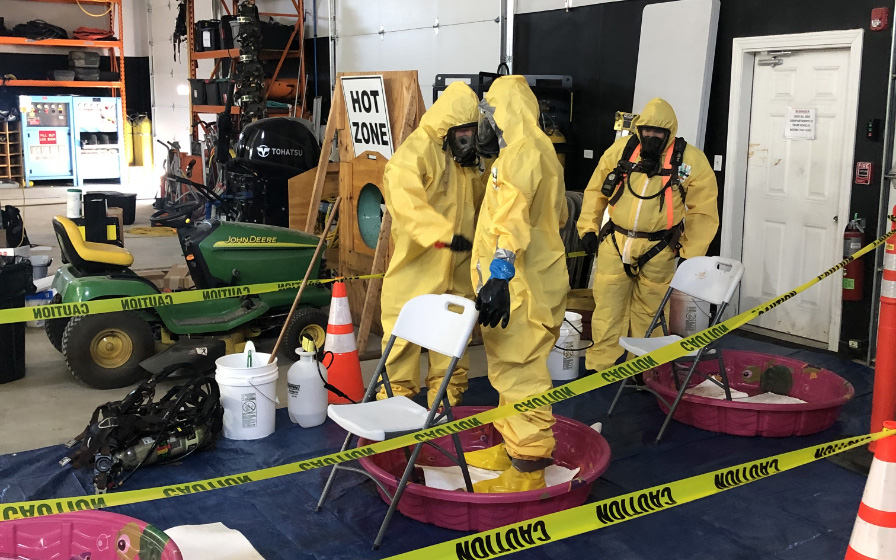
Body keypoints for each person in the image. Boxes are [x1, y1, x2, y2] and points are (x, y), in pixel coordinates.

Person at [466, 75, 569, 493]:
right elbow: (556, 216)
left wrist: (500, 275)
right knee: (508, 373)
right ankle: (511, 448)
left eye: (488, 114)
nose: (485, 124)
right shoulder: (539, 150)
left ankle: (528, 470)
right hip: (534, 281)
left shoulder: (521, 154)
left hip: (522, 289)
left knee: (522, 377)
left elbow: (511, 218)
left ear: (503, 112)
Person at [577, 97, 718, 374]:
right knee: (607, 309)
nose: (652, 137)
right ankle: (601, 369)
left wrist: (690, 253)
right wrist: (589, 228)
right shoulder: (621, 152)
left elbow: (703, 209)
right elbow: (596, 190)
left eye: (659, 133)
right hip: (615, 242)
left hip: (660, 247)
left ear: (670, 133)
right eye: (647, 131)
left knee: (650, 312)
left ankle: (646, 369)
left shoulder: (689, 160)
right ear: (639, 130)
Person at [377, 81, 488, 408]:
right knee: (402, 341)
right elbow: (405, 201)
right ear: (446, 129)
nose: (467, 139)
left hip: (460, 270)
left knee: (453, 339)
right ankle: (393, 406)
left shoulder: (466, 160)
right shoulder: (416, 153)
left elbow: (484, 202)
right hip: (417, 268)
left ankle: (446, 402)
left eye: (472, 132)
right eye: (462, 132)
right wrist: (441, 234)